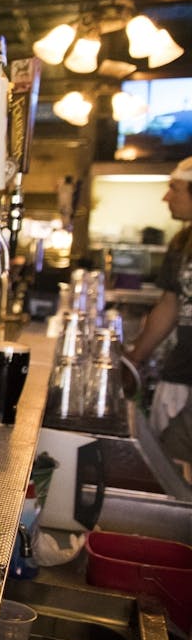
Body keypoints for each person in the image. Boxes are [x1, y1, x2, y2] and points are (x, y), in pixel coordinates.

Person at [126, 157, 192, 436]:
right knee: (171, 464)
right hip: (180, 377)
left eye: (174, 188)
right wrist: (132, 362)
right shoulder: (182, 242)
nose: (166, 197)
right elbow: (169, 305)